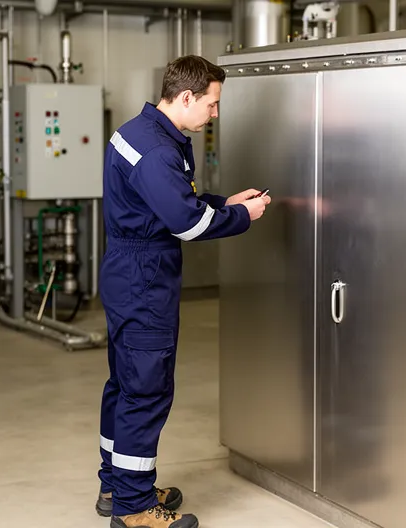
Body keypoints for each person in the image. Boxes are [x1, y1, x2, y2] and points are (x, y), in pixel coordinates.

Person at [95, 55, 271, 528]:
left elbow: (173, 200)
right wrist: (241, 217)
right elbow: (186, 221)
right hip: (145, 278)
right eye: (212, 104)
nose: (215, 114)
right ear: (187, 97)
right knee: (145, 391)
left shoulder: (141, 132)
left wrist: (223, 202)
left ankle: (117, 485)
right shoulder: (157, 150)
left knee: (125, 384)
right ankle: (134, 510)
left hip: (127, 270)